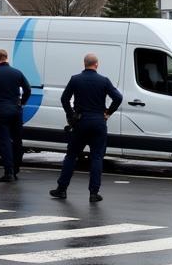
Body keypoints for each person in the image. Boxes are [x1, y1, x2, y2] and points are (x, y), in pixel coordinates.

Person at [50, 53, 123, 203]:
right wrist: (108, 112)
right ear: (97, 64)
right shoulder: (104, 81)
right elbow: (118, 97)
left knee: (71, 156)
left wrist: (71, 115)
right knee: (96, 157)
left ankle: (61, 189)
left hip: (81, 122)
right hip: (98, 122)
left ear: (84, 64)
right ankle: (93, 193)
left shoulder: (75, 79)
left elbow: (64, 99)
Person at [0, 48, 31, 183]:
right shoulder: (17, 73)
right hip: (16, 110)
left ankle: (8, 172)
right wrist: (22, 102)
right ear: (6, 57)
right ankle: (16, 169)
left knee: (5, 142)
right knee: (17, 141)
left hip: (1, 111)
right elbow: (28, 89)